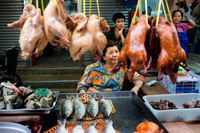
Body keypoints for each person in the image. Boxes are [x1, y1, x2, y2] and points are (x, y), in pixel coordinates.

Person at [77, 43, 144, 94]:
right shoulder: (92, 68)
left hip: (116, 99)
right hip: (95, 99)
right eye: (111, 53)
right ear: (103, 57)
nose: (115, 55)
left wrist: (135, 88)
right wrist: (85, 97)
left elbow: (139, 78)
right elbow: (82, 86)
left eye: (116, 52)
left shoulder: (122, 67)